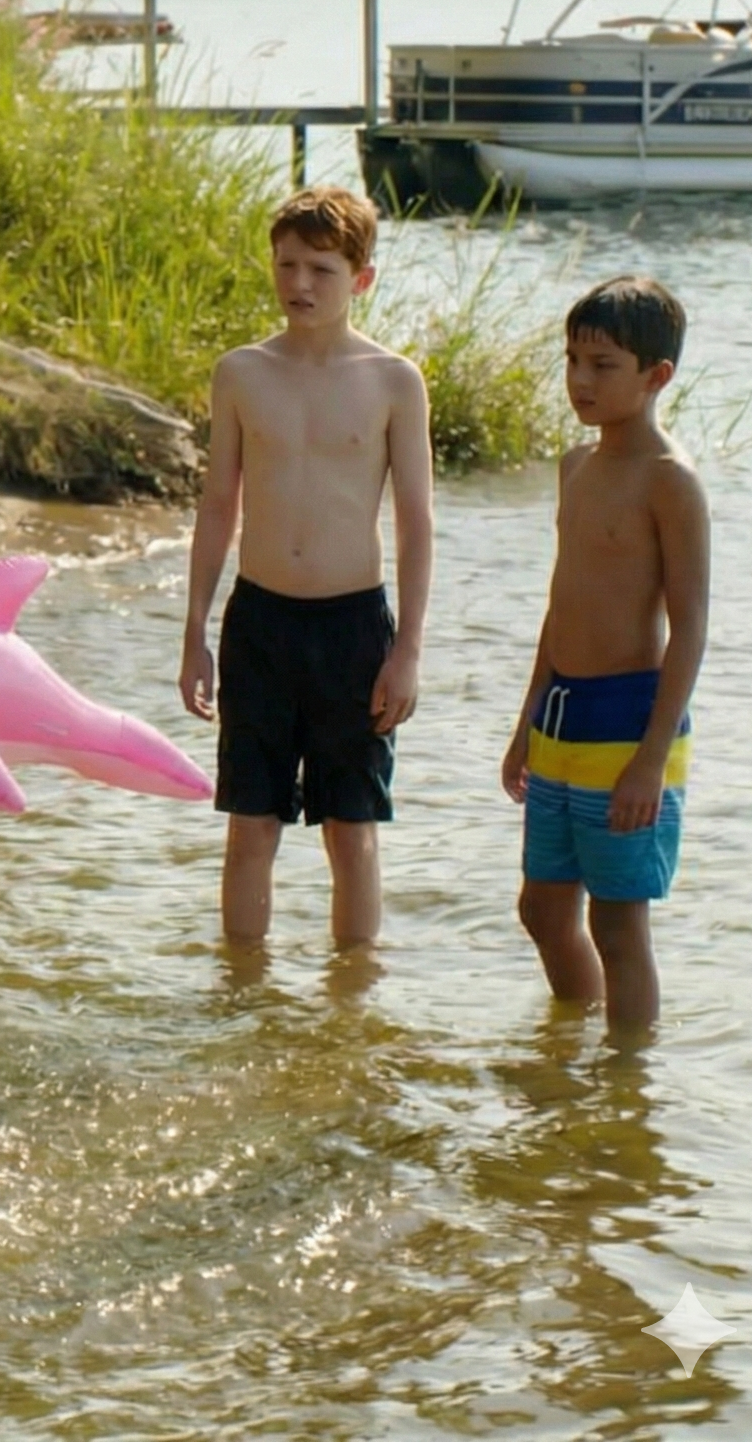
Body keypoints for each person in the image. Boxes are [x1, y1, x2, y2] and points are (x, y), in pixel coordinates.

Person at [179, 185, 433, 950]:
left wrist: (408, 650)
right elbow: (218, 505)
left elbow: (418, 523)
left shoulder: (395, 381)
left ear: (362, 280)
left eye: (321, 269)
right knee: (250, 827)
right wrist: (195, 630)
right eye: (287, 265)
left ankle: (348, 1017)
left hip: (353, 626)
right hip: (260, 620)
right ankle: (241, 998)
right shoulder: (242, 372)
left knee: (351, 833)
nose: (299, 285)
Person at [500, 277, 708, 1039]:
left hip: (629, 723)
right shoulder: (574, 467)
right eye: (572, 360)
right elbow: (562, 606)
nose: (580, 380)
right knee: (542, 908)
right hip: (562, 719)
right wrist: (526, 724)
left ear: (657, 376)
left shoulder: (669, 480)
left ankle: (625, 1094)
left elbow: (689, 626)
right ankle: (571, 1044)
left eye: (603, 364)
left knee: (621, 927)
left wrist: (652, 758)